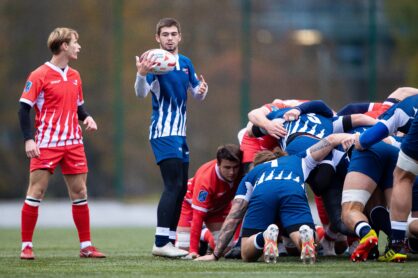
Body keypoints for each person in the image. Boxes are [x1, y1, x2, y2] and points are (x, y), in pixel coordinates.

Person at [18, 27, 104, 260]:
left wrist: (86, 117)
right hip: (46, 143)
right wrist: (29, 139)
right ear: (64, 45)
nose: (79, 46)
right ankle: (26, 246)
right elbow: (23, 109)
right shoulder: (39, 75)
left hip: (74, 143)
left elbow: (78, 106)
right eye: (75, 42)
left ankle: (86, 246)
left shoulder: (75, 75)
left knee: (80, 192)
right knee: (37, 191)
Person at [134, 18, 208, 257]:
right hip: (163, 133)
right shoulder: (153, 63)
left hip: (180, 135)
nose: (169, 38)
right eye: (164, 34)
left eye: (173, 34)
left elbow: (196, 94)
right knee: (173, 186)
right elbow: (140, 93)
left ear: (179, 37)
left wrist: (202, 91)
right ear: (157, 38)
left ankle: (171, 241)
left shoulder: (186, 63)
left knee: (180, 189)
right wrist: (140, 74)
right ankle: (160, 242)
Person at [354, 94, 418, 262]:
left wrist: (356, 140)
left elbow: (366, 139)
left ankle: (397, 245)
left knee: (403, 177)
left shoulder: (404, 106)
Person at [176, 144, 243, 259]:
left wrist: (237, 242)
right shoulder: (206, 180)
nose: (232, 172)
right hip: (190, 206)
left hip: (219, 208)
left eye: (235, 167)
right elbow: (198, 216)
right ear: (218, 163)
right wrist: (193, 251)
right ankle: (203, 233)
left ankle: (205, 235)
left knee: (226, 250)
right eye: (227, 168)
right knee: (184, 250)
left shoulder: (243, 172)